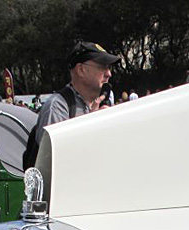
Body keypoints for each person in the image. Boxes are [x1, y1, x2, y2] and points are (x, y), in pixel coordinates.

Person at [24, 41, 120, 169]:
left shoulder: (104, 103)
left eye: (109, 68)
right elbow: (54, 163)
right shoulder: (57, 107)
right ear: (81, 70)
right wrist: (91, 125)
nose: (109, 74)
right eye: (102, 67)